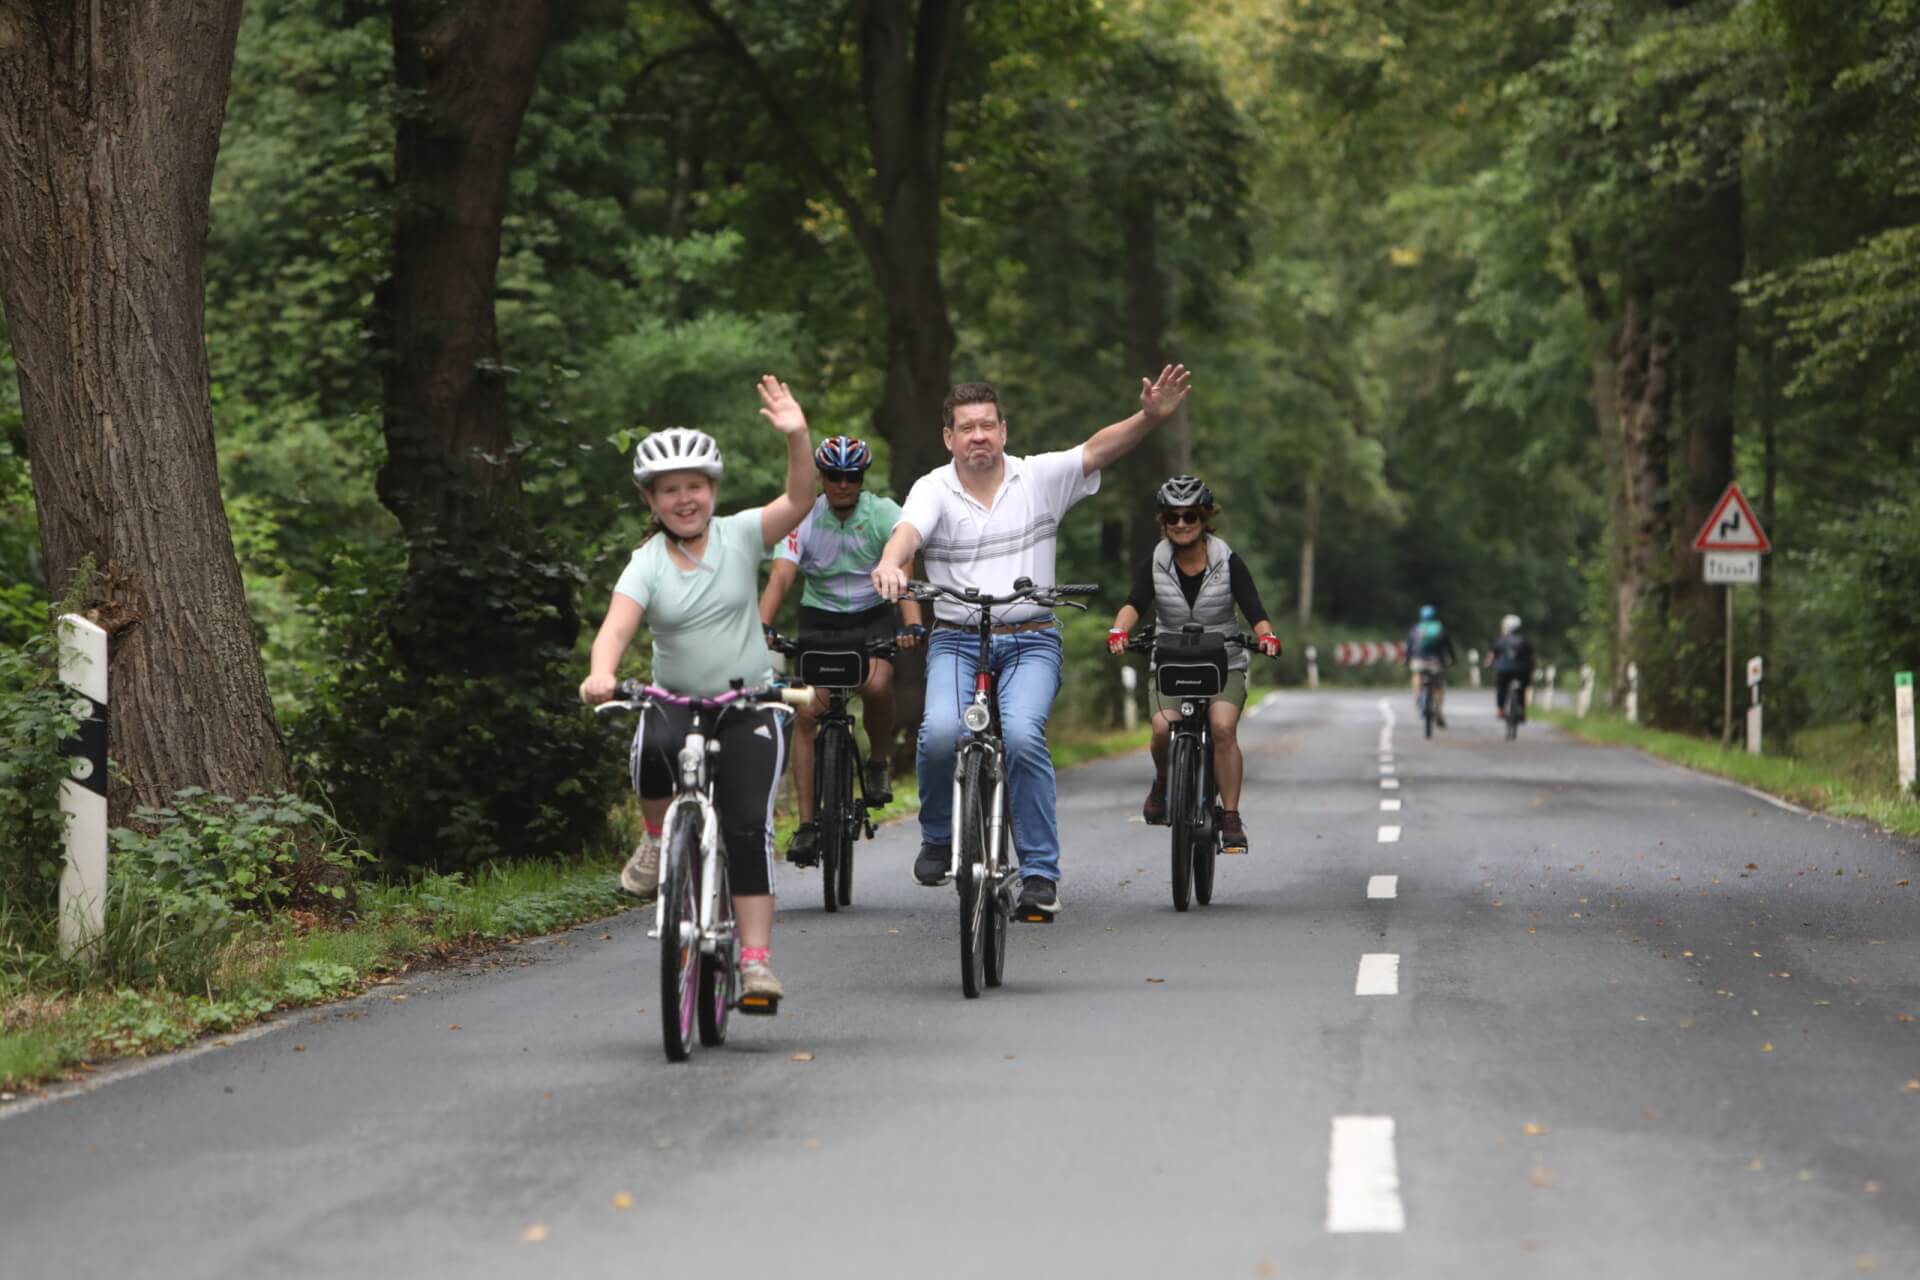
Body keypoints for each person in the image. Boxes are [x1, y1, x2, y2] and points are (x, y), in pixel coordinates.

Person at [872, 365, 1194, 920]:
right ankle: (937, 836)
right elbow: (908, 534)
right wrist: (889, 563)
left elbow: (1096, 451)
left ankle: (1040, 874)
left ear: (1004, 430)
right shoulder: (933, 488)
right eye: (967, 428)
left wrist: (1149, 416)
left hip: (1030, 640)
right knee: (939, 732)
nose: (979, 436)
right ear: (949, 438)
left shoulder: (1037, 478)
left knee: (1022, 737)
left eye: (988, 425)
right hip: (955, 638)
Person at [579, 376, 816, 1006]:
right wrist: (601, 673)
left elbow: (800, 497)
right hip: (678, 703)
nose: (684, 499)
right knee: (650, 739)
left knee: (745, 829)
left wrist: (797, 436)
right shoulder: (647, 561)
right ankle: (659, 842)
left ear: (711, 490)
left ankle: (756, 964)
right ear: (652, 501)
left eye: (694, 486)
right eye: (669, 490)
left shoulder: (741, 534)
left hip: (748, 706)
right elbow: (616, 628)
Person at [758, 435, 924, 866]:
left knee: (877, 684)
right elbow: (780, 578)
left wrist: (911, 624)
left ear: (861, 478)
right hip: (821, 620)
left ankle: (878, 761)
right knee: (808, 712)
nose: (843, 484)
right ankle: (808, 825)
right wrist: (760, 626)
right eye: (834, 476)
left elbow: (904, 568)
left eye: (852, 476)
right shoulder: (803, 517)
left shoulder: (883, 513)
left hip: (871, 616)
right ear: (822, 477)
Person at [1105, 475, 1281, 853]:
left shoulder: (1227, 559)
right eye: (1173, 517)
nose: (1181, 524)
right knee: (1159, 730)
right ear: (1164, 522)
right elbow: (1134, 603)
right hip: (1171, 661)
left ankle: (1230, 816)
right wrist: (1118, 631)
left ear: (1204, 519)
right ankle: (1165, 782)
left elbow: (1254, 608)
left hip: (1223, 661)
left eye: (1190, 517)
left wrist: (1266, 636)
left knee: (1221, 729)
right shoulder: (1156, 561)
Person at [1406, 603, 1457, 727]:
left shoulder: (1415, 628)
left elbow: (1409, 647)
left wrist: (1407, 659)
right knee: (1438, 686)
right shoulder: (1440, 628)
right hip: (1436, 661)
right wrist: (1453, 659)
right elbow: (1448, 647)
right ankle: (1438, 710)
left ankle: (1418, 696)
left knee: (1416, 673)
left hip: (1418, 659)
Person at [1487, 613, 1536, 721]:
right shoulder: (1525, 641)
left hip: (1504, 670)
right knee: (1522, 690)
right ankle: (1522, 711)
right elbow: (1530, 657)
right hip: (1521, 670)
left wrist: (1488, 663)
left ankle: (1500, 710)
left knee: (1501, 688)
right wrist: (1532, 668)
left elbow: (1492, 656)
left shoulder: (1500, 640)